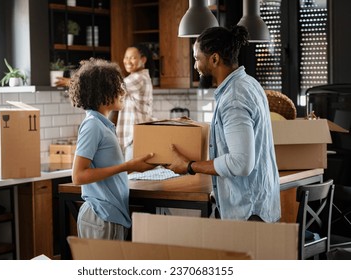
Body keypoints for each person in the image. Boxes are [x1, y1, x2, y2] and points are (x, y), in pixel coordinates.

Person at [165, 26, 281, 223]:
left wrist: (190, 166)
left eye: (197, 58)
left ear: (215, 59)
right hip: (257, 205)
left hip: (247, 212)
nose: (195, 66)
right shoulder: (248, 83)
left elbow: (241, 163)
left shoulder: (234, 97)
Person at [68, 58, 156, 240]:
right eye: (117, 86)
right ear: (103, 92)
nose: (122, 91)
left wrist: (134, 166)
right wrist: (126, 166)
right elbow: (78, 176)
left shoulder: (103, 125)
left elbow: (107, 169)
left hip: (108, 215)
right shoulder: (93, 125)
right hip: (101, 216)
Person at [116, 43, 156, 161]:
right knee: (134, 177)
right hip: (137, 137)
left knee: (133, 178)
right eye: (126, 57)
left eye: (132, 57)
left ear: (143, 59)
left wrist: (72, 82)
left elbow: (111, 87)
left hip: (136, 138)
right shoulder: (141, 77)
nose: (128, 61)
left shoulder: (138, 78)